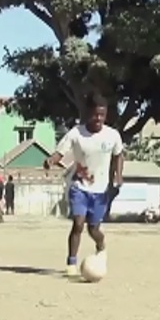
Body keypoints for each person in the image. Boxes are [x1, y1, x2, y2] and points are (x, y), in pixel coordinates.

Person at [42, 93, 124, 278]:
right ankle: (71, 262)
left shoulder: (112, 135)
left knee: (93, 229)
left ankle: (101, 246)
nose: (99, 119)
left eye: (102, 115)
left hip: (101, 190)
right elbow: (59, 152)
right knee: (78, 223)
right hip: (79, 185)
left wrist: (118, 175)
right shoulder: (76, 133)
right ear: (88, 114)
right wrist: (50, 161)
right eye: (95, 115)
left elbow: (119, 155)